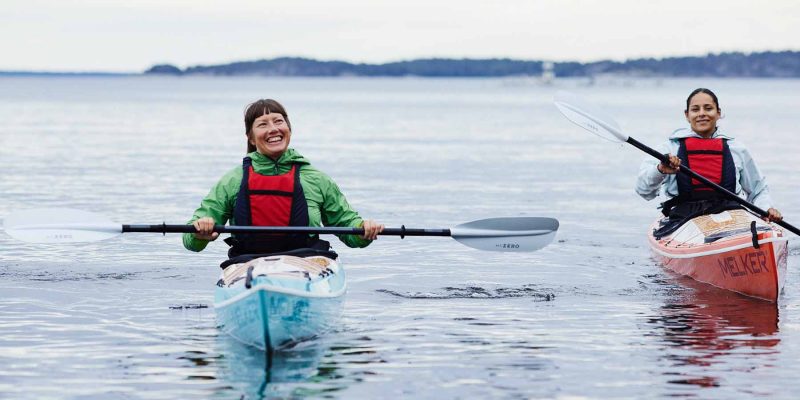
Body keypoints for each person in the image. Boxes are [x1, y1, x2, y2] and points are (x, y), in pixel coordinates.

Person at [183, 99, 383, 262]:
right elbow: (190, 239)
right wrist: (199, 233)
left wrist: (363, 230)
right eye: (263, 124)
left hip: (308, 262)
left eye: (278, 121)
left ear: (289, 128)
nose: (273, 129)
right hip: (249, 264)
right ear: (251, 138)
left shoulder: (317, 179)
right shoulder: (233, 180)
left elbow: (346, 225)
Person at [636, 88, 782, 236]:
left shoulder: (737, 149)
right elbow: (644, 191)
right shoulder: (668, 148)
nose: (702, 114)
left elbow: (758, 190)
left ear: (718, 113)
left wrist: (767, 208)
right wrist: (660, 169)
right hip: (684, 218)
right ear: (687, 115)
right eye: (695, 109)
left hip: (732, 213)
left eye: (708, 108)